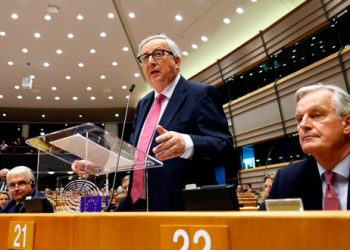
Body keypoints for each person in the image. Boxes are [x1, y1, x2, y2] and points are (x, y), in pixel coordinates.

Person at [72, 33, 236, 211]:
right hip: (137, 204)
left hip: (180, 205)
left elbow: (224, 145)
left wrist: (187, 143)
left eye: (158, 54)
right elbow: (135, 155)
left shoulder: (200, 94)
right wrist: (101, 164)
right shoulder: (143, 104)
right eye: (145, 57)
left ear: (177, 61)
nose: (151, 61)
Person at [260, 83, 350, 210]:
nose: (303, 125)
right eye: (300, 119)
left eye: (316, 115)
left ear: (347, 124)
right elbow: (262, 228)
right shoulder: (287, 180)